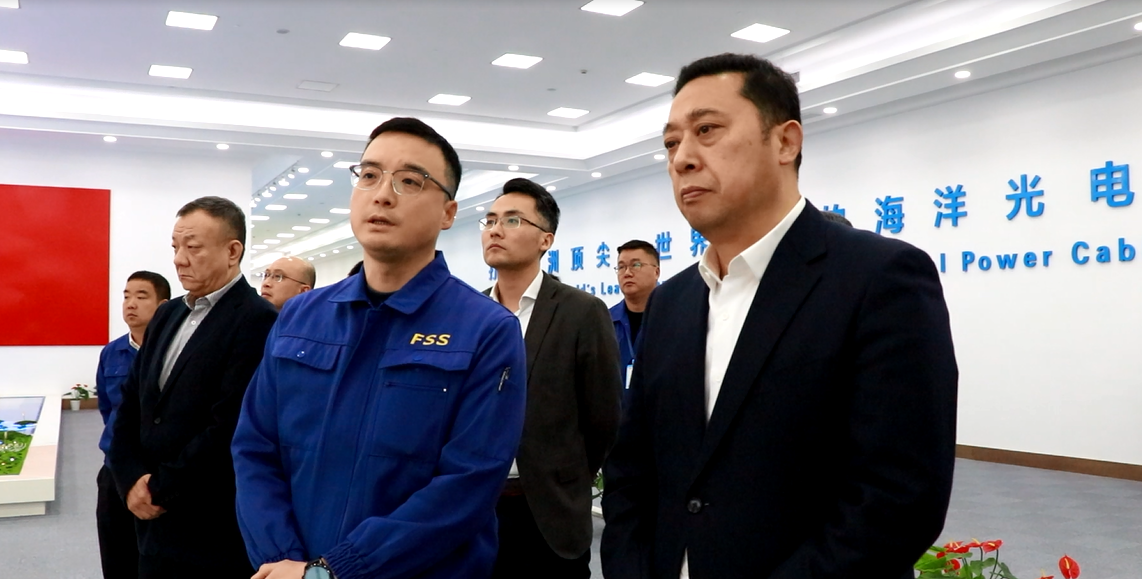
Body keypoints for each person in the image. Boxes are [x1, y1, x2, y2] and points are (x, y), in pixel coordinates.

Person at [601, 53, 958, 579]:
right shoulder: (671, 301)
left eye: (707, 130)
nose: (682, 159)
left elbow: (898, 498)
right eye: (672, 143)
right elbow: (632, 470)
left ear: (786, 142)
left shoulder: (879, 278)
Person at [232, 117, 527, 579]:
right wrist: (282, 558)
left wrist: (332, 571)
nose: (382, 194)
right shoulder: (300, 317)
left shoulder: (486, 330)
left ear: (448, 213)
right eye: (369, 175)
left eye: (410, 181)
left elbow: (467, 484)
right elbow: (254, 447)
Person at [108, 196, 278, 579]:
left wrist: (159, 488)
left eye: (193, 247)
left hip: (205, 524)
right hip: (147, 517)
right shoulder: (167, 314)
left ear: (232, 251)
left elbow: (228, 425)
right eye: (175, 247)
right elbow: (132, 402)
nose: (179, 259)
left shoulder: (257, 320)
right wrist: (130, 477)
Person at [481, 177, 622, 579]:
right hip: (477, 508)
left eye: (512, 220)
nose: (495, 229)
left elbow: (604, 418)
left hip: (549, 512)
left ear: (546, 240)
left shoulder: (581, 312)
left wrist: (563, 474)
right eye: (490, 220)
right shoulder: (471, 312)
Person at [96, 270, 170, 579]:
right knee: (116, 554)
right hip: (115, 469)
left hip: (157, 472)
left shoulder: (173, 352)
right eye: (126, 296)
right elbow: (107, 408)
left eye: (141, 296)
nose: (131, 304)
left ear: (163, 305)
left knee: (156, 558)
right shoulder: (111, 352)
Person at [610, 240, 660, 400]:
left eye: (636, 265)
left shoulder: (674, 318)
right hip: (617, 411)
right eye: (621, 267)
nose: (627, 273)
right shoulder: (605, 320)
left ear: (656, 272)